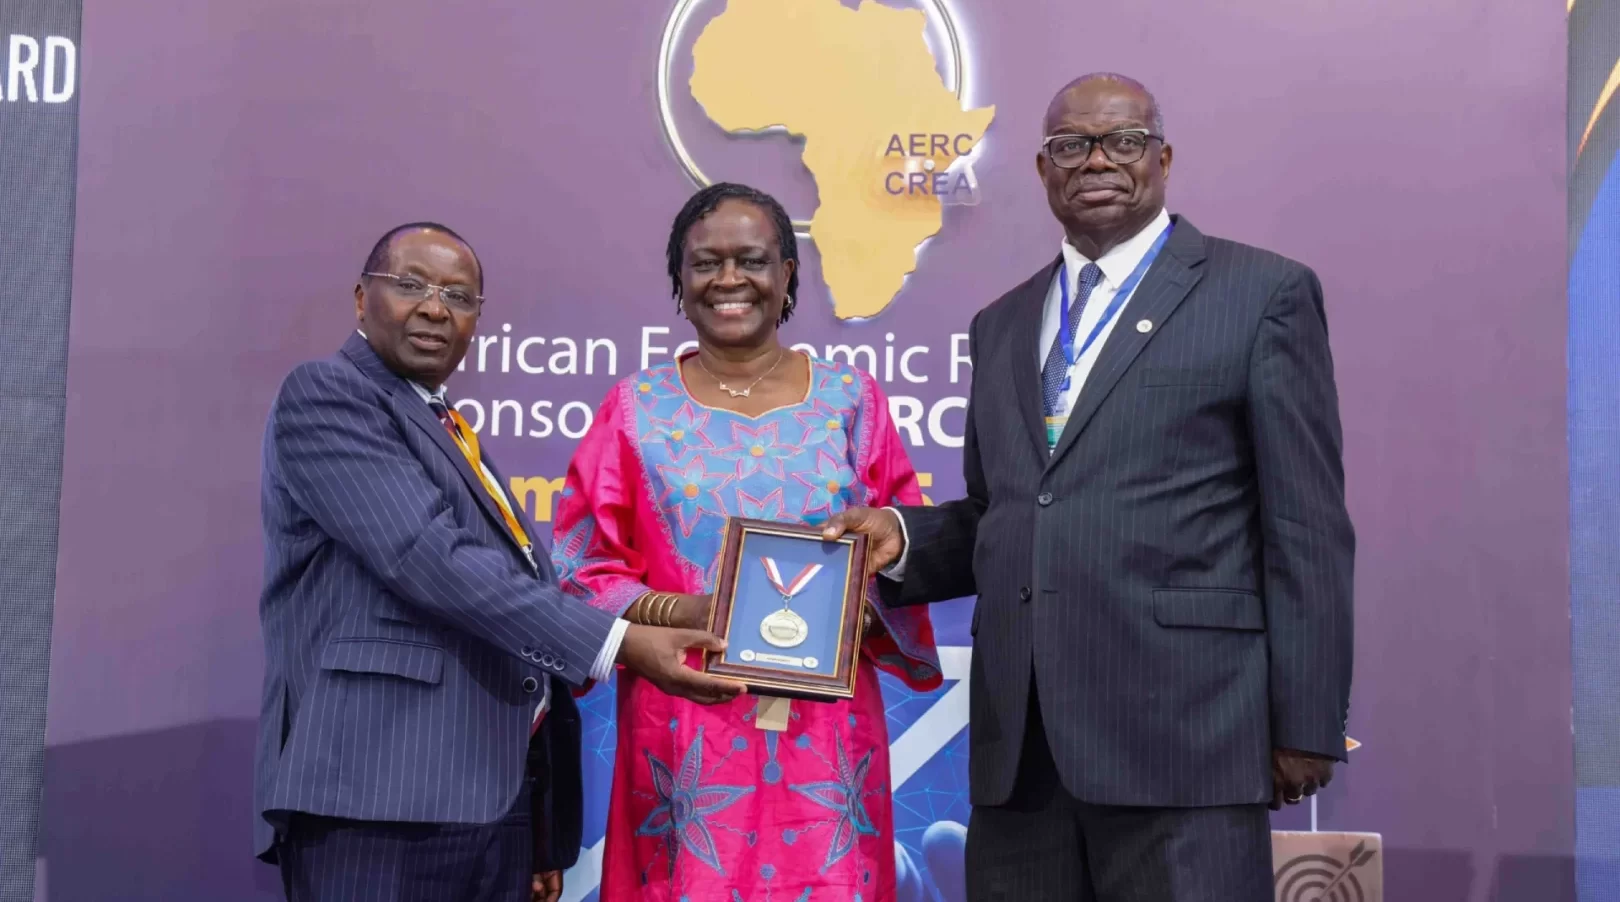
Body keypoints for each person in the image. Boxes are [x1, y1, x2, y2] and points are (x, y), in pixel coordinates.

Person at [824, 73, 1356, 901]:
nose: (1097, 161)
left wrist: (1306, 722)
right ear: (1044, 170)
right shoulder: (1002, 323)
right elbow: (1009, 511)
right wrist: (904, 540)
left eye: (1123, 141)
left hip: (1187, 741)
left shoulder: (1261, 295)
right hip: (1023, 756)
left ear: (1163, 159)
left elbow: (1306, 525)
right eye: (1071, 146)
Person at [253, 222, 744, 902]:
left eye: (459, 296)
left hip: (489, 804)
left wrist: (538, 826)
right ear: (362, 298)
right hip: (378, 797)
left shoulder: (443, 424)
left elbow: (509, 604)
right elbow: (428, 558)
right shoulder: (329, 394)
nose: (435, 309)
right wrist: (619, 642)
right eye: (412, 285)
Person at [550, 183, 941, 900]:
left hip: (825, 730)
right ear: (680, 278)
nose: (729, 278)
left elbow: (904, 548)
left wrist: (847, 611)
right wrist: (690, 612)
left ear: (787, 273)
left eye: (752, 259)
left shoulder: (852, 401)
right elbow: (581, 568)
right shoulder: (634, 408)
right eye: (706, 263)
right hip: (685, 720)